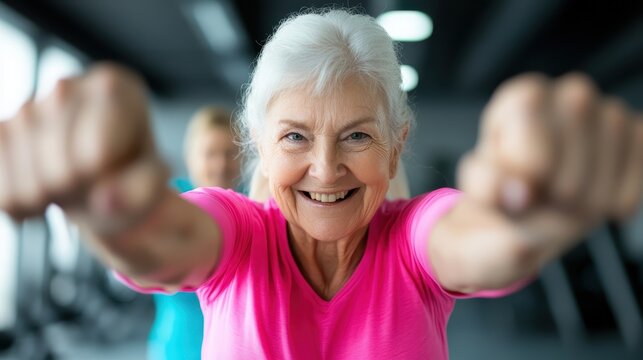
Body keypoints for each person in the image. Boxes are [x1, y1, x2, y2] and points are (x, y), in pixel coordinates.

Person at [0, 8, 641, 360]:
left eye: (358, 136)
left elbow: (478, 241)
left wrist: (527, 214)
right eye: (296, 137)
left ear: (396, 146)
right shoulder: (237, 235)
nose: (326, 168)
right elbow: (163, 239)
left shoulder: (414, 240)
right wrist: (113, 209)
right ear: (263, 146)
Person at [149, 106, 241, 360]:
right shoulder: (169, 202)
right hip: (179, 346)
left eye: (230, 153)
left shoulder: (252, 208)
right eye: (210, 154)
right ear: (190, 157)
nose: (221, 164)